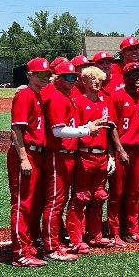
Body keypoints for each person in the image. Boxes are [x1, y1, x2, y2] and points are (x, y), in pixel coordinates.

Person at [42, 61, 106, 261]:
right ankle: (53, 246)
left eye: (74, 77)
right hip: (59, 153)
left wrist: (87, 126)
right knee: (58, 201)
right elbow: (58, 130)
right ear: (58, 79)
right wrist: (86, 130)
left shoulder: (67, 97)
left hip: (71, 155)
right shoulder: (58, 97)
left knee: (88, 197)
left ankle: (62, 241)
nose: (73, 80)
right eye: (68, 77)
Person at [66, 66, 115, 252]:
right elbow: (74, 131)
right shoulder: (77, 102)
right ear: (84, 82)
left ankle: (95, 236)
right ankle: (76, 239)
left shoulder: (104, 102)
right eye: (93, 79)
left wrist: (110, 155)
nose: (96, 82)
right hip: (84, 155)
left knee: (99, 196)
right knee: (80, 197)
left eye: (99, 79)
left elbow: (108, 132)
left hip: (101, 156)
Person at [8, 58, 51, 267]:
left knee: (31, 203)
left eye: (47, 74)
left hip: (36, 153)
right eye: (40, 74)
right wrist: (24, 158)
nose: (44, 77)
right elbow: (16, 129)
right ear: (29, 74)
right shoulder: (25, 94)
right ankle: (19, 253)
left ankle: (28, 246)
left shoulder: (37, 94)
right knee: (22, 204)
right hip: (25, 153)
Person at [108, 62, 139, 244]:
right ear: (125, 78)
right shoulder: (117, 96)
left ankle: (132, 230)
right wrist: (120, 150)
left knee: (135, 192)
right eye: (133, 74)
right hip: (123, 150)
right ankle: (114, 232)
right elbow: (112, 127)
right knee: (117, 192)